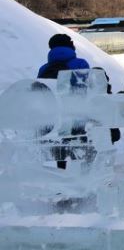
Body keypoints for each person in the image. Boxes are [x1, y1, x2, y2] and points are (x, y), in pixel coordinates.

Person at [36, 33, 90, 169]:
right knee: (79, 145)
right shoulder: (80, 63)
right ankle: (82, 173)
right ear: (70, 46)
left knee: (60, 144)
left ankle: (61, 170)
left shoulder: (44, 68)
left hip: (53, 114)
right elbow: (88, 87)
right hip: (77, 113)